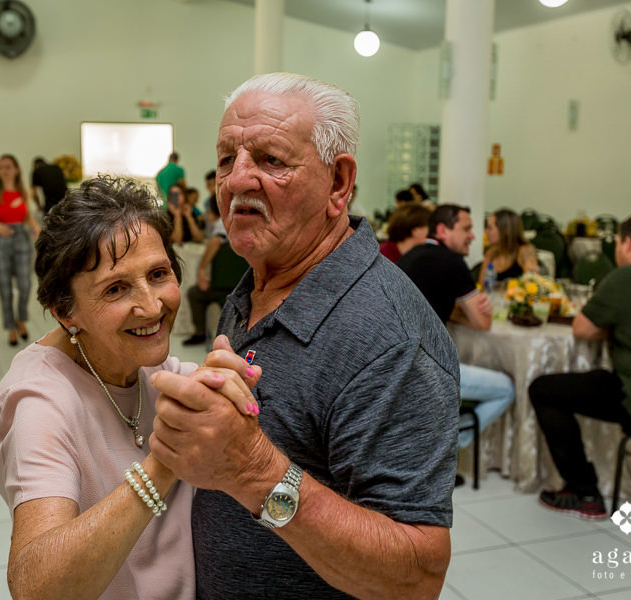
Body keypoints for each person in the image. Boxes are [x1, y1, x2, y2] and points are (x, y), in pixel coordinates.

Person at [149, 72, 458, 599]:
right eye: (226, 159)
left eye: (270, 159)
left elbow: (416, 576)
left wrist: (253, 470)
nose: (236, 181)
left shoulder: (390, 339)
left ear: (338, 183)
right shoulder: (259, 278)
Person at [0, 175, 259, 600]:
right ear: (65, 312)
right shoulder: (41, 402)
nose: (151, 305)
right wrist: (165, 461)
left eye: (158, 274)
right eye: (116, 288)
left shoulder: (147, 362)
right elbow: (37, 587)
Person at [530, 213, 631, 519]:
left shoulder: (625, 278)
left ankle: (582, 490)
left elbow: (583, 329)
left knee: (544, 390)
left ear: (626, 244)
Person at [398, 205, 515, 458]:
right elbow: (482, 324)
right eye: (466, 229)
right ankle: (445, 450)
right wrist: (483, 309)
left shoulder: (410, 256)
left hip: (396, 368)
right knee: (506, 389)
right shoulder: (452, 262)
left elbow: (441, 309)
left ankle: (436, 445)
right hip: (424, 371)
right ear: (442, 230)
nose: (473, 235)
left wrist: (459, 312)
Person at [0, 154, 41, 346]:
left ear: (17, 169)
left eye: (8, 167)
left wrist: (35, 227)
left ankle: (21, 319)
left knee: (25, 284)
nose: (5, 170)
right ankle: (11, 326)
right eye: (1, 167)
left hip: (21, 238)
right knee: (4, 287)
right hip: (0, 240)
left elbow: (26, 216)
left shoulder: (22, 190)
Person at [182, 197, 247, 346]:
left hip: (223, 287)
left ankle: (199, 332)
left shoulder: (221, 225)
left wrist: (201, 269)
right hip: (244, 284)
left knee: (194, 293)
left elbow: (216, 240)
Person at [479, 208, 539, 287]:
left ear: (504, 230)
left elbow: (533, 284)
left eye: (490, 228)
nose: (486, 232)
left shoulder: (524, 250)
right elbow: (481, 287)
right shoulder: (490, 254)